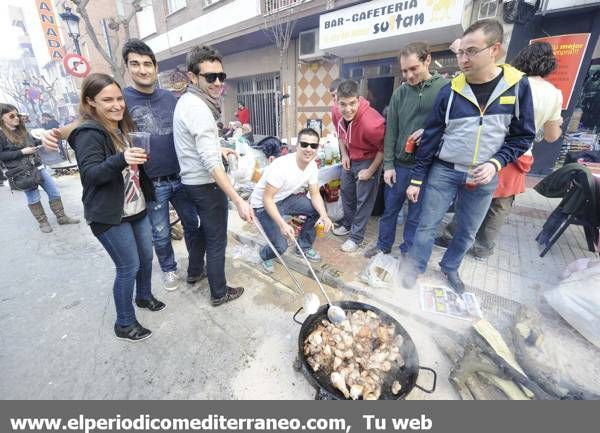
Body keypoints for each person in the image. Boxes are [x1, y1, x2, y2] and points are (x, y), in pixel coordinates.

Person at [42, 39, 205, 292]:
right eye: (135, 64)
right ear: (128, 67)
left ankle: (196, 267)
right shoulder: (121, 98)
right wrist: (55, 133)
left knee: (192, 225)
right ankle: (169, 269)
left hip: (180, 177)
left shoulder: (171, 98)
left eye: (147, 64)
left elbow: (191, 126)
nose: (143, 69)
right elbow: (86, 120)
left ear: (155, 66)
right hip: (151, 183)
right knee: (160, 233)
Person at [403, 19, 535, 293]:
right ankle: (415, 267)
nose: (463, 58)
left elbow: (523, 136)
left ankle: (450, 268)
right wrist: (417, 179)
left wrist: (496, 163)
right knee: (427, 226)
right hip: (445, 170)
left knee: (467, 231)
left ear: (494, 49)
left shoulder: (516, 87)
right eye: (461, 52)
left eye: (471, 51)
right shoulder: (450, 91)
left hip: (483, 173)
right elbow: (431, 137)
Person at [435, 41, 563, 260]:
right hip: (519, 153)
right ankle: (483, 248)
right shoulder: (554, 94)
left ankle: (451, 237)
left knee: (469, 197)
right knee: (500, 205)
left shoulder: (508, 81)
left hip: (487, 149)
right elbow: (552, 136)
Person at [68, 73, 165, 342]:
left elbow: (131, 168)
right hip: (110, 215)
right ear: (90, 103)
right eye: (107, 100)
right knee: (128, 267)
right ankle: (124, 323)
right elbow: (91, 175)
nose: (116, 105)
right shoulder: (88, 133)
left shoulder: (122, 128)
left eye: (119, 98)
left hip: (136, 207)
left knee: (146, 258)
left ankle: (143, 296)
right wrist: (122, 158)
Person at [173, 45, 253, 307]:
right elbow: (210, 163)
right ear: (193, 77)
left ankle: (195, 272)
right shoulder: (199, 108)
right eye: (210, 77)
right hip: (206, 185)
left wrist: (221, 147)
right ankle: (219, 292)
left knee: (204, 233)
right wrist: (238, 200)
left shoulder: (187, 101)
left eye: (221, 76)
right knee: (217, 239)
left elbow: (197, 146)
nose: (218, 82)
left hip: (190, 183)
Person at [364, 42, 449, 259]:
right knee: (389, 211)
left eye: (413, 69)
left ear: (427, 60)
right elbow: (391, 132)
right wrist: (389, 165)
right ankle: (383, 246)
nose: (408, 75)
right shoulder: (399, 94)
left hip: (426, 168)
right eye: (404, 70)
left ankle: (407, 252)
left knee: (415, 215)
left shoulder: (444, 89)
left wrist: (429, 131)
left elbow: (452, 126)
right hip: (400, 167)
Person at [249, 128, 333, 273]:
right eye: (304, 144)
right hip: (263, 205)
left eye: (313, 146)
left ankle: (304, 247)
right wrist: (282, 224)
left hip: (283, 199)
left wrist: (324, 216)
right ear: (297, 145)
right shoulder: (282, 166)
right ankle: (265, 255)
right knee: (281, 246)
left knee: (317, 210)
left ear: (317, 148)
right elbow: (267, 198)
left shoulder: (312, 165)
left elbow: (314, 194)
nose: (308, 149)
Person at [0, 103, 79, 232]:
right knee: (33, 197)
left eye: (17, 115)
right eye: (11, 115)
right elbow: (1, 155)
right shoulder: (1, 134)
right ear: (2, 118)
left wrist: (44, 140)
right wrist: (21, 152)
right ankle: (43, 223)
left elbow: (33, 143)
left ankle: (62, 217)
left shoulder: (22, 130)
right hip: (22, 173)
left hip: (38, 167)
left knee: (53, 191)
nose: (17, 118)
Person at [331, 79, 385, 252]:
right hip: (351, 157)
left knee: (364, 199)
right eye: (343, 104)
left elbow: (384, 148)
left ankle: (356, 237)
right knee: (346, 191)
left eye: (352, 103)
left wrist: (370, 171)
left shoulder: (372, 123)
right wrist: (344, 154)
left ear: (359, 99)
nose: (348, 109)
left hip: (369, 159)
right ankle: (348, 224)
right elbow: (341, 134)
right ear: (337, 101)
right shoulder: (337, 112)